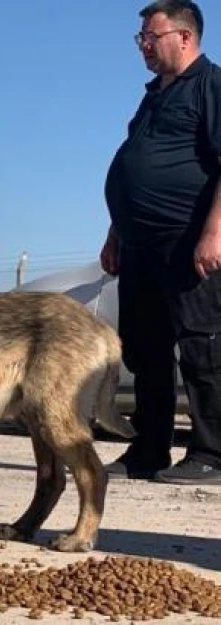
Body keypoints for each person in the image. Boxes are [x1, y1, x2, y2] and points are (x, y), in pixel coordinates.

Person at [102, 0, 221, 484]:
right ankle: (148, 449)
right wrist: (114, 232)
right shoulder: (153, 95)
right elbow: (134, 165)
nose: (143, 47)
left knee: (202, 348)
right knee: (145, 349)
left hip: (187, 240)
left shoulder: (211, 85)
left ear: (185, 37)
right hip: (139, 246)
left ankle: (212, 455)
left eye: (150, 37)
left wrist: (214, 233)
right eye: (140, 39)